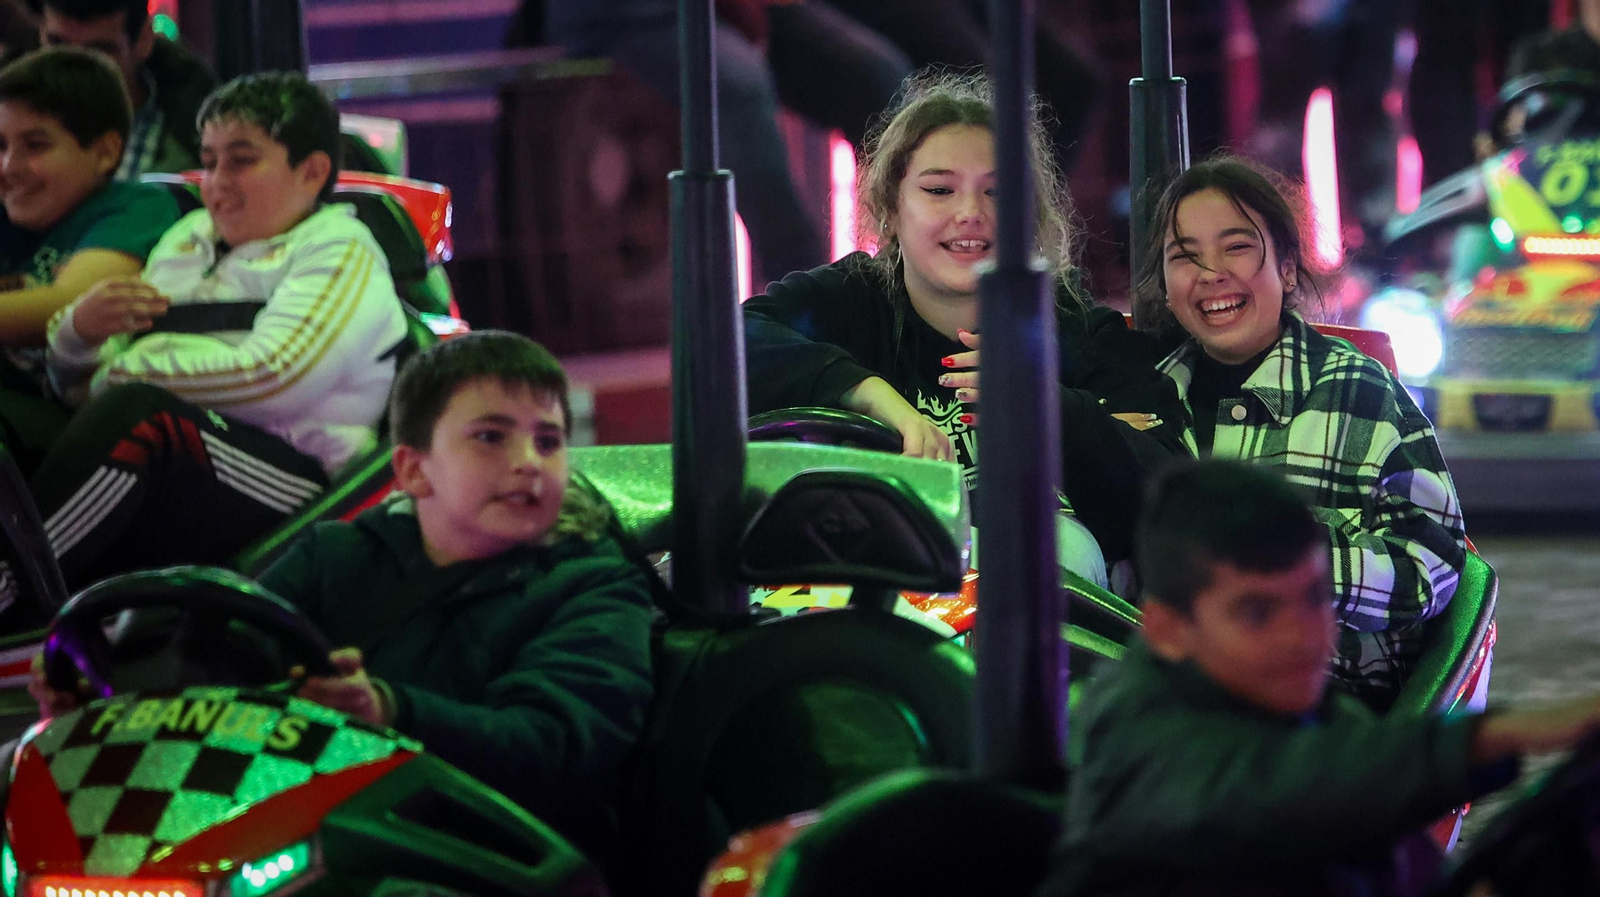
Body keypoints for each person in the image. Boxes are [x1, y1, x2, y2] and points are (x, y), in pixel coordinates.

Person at [31, 331, 657, 876]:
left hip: (492, 856)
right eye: (491, 437)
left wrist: (390, 712)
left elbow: (557, 748)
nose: (527, 463)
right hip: (330, 834)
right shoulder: (341, 554)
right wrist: (106, 691)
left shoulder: (593, 586)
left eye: (548, 442)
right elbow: (221, 653)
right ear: (414, 471)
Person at [1039, 459, 1600, 897]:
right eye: (1257, 613)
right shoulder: (1130, 733)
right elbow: (1273, 786)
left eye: (1313, 600)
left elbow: (1395, 857)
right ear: (1168, 629)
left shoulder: (1319, 718)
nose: (1302, 637)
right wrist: (1499, 735)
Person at [742, 70, 1186, 583]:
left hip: (1052, 620)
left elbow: (1172, 486)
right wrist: (871, 395)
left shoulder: (1072, 327)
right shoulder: (846, 301)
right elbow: (727, 348)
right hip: (876, 602)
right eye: (939, 190)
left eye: (997, 194)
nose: (971, 214)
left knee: (1061, 546)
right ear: (890, 210)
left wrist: (1050, 405)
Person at [0, 71, 407, 615]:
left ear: (310, 172)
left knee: (143, 417)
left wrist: (122, 373)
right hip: (196, 453)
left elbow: (271, 378)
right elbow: (80, 394)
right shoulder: (188, 239)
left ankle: (13, 600)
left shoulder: (339, 248)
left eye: (241, 161)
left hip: (296, 478)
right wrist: (79, 337)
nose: (216, 183)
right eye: (210, 161)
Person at [1132, 154, 1466, 708]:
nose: (1212, 273)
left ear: (1287, 268)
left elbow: (1433, 566)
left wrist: (1283, 574)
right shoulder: (1147, 400)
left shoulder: (1360, 390)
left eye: (1236, 247)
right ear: (1165, 286)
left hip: (1328, 702)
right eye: (1185, 256)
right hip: (1177, 707)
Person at [537, 0, 912, 285]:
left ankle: (909, 283)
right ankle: (811, 306)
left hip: (722, 9)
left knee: (879, 77)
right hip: (629, 12)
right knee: (740, 88)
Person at [0, 45, 179, 470]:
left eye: (35, 145)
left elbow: (66, 308)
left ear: (105, 153)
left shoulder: (136, 206)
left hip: (72, 427)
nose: (8, 167)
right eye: (1, 145)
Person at [36, 0, 215, 178]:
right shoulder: (15, 126)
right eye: (58, 46)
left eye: (98, 53)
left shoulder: (195, 138)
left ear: (144, 40)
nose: (71, 70)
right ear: (41, 33)